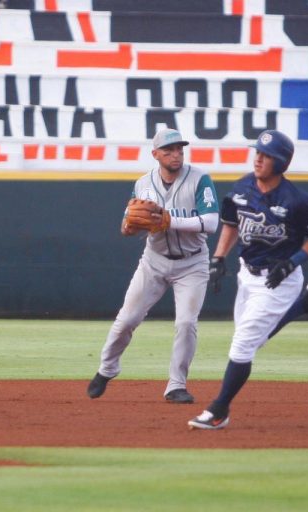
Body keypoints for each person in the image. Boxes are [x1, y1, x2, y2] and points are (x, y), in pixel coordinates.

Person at [188, 129, 308, 430]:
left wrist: (295, 260)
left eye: (266, 155)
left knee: (242, 346)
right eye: (257, 152)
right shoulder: (242, 187)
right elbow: (231, 223)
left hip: (279, 280)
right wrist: (219, 257)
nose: (258, 158)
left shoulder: (298, 201)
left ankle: (219, 411)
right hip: (248, 275)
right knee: (251, 342)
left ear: (280, 163)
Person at [87, 128, 220, 404]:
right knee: (126, 320)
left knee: (185, 323)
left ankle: (176, 385)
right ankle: (107, 368)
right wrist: (130, 227)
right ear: (155, 154)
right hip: (154, 262)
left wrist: (170, 220)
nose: (176, 154)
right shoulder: (143, 184)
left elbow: (211, 223)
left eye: (180, 149)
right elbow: (127, 225)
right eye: (169, 150)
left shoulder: (199, 179)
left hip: (193, 263)